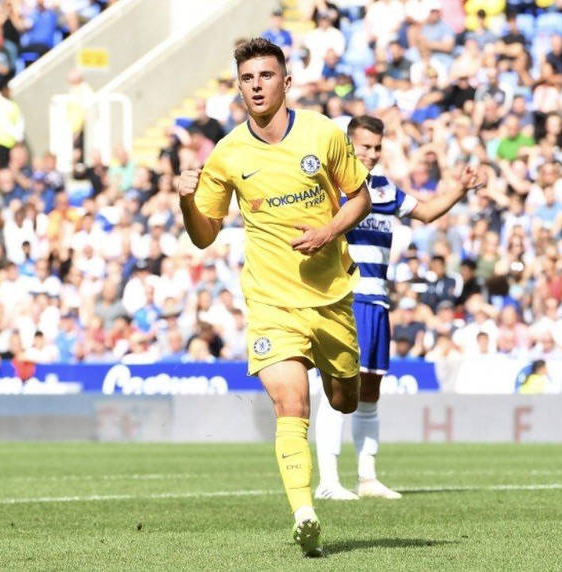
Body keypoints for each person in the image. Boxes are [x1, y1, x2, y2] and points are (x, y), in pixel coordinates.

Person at [176, 38, 372, 558]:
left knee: (343, 399)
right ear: (239, 87)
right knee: (291, 402)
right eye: (248, 78)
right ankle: (304, 513)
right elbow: (204, 234)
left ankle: (342, 392)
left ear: (287, 82)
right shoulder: (228, 154)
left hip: (331, 296)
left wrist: (329, 230)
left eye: (266, 75)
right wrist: (184, 200)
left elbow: (361, 197)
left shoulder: (323, 134)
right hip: (271, 302)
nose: (257, 85)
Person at [315, 115, 487, 501]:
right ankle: (327, 481)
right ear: (348, 145)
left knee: (370, 389)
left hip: (377, 300)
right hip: (345, 298)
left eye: (377, 147)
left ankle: (367, 477)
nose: (372, 154)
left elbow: (424, 212)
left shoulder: (382, 188)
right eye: (365, 146)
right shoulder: (330, 186)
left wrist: (459, 189)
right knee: (337, 391)